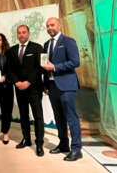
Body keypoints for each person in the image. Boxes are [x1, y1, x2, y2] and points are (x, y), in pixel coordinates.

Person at [42, 17, 82, 161]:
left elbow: (75, 62)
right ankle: (64, 144)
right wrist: (45, 84)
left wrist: (55, 67)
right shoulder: (46, 44)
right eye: (47, 26)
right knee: (58, 118)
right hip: (52, 87)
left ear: (59, 25)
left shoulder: (68, 41)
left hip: (67, 86)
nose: (49, 28)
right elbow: (45, 66)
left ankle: (77, 149)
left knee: (71, 118)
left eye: (52, 25)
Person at [7, 25, 45, 156]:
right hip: (19, 88)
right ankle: (26, 139)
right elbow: (10, 69)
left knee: (38, 116)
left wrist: (28, 82)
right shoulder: (12, 50)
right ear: (17, 35)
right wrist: (17, 82)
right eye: (19, 33)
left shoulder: (38, 48)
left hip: (34, 88)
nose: (21, 35)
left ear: (28, 33)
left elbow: (40, 68)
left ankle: (39, 144)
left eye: (24, 32)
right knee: (23, 115)